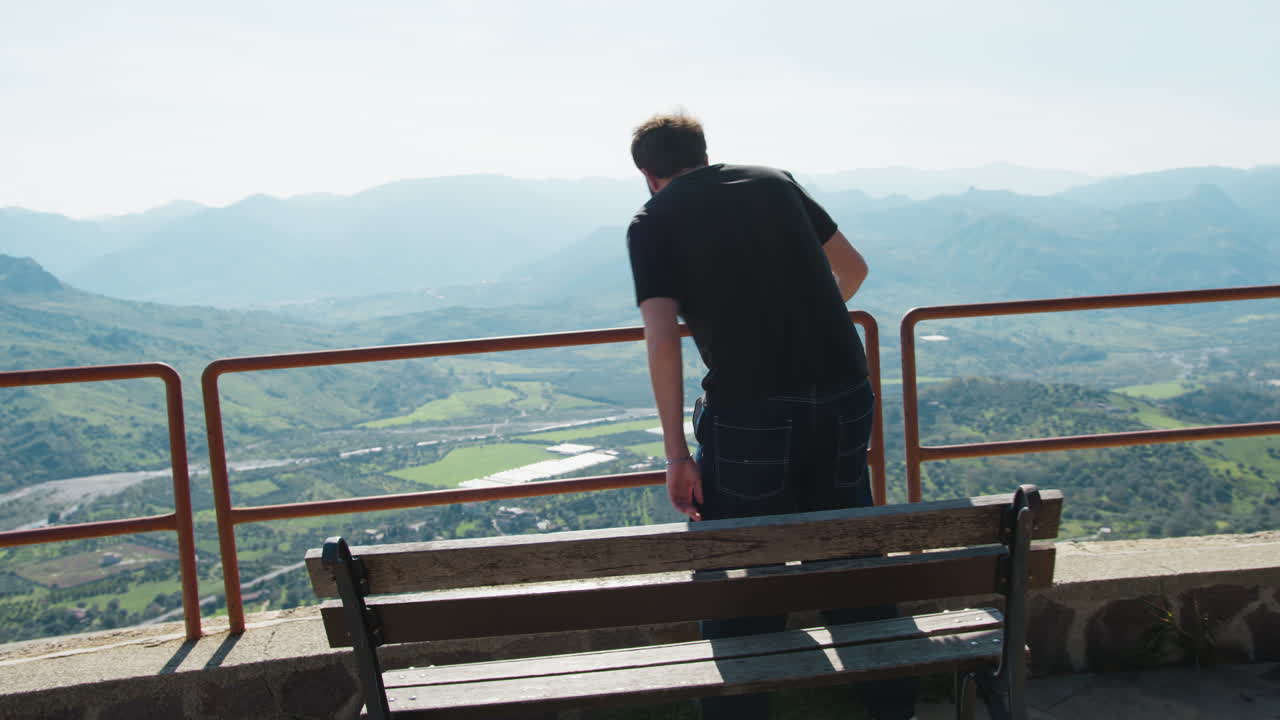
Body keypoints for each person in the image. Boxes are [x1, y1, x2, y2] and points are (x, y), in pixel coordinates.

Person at [625, 112, 917, 720]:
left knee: (744, 569)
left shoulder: (654, 219)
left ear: (649, 176)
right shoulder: (775, 181)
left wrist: (677, 454)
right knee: (846, 553)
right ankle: (893, 706)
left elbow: (662, 339)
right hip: (844, 388)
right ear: (703, 153)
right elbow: (854, 271)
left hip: (750, 407)